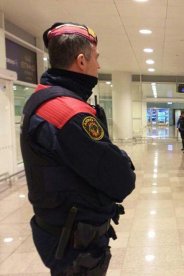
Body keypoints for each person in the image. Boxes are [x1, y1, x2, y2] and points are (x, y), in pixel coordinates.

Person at [20, 22, 136, 275]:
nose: (99, 65)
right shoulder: (68, 112)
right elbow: (122, 179)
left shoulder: (42, 98)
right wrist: (123, 158)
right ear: (81, 61)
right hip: (74, 241)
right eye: (96, 58)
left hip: (59, 229)